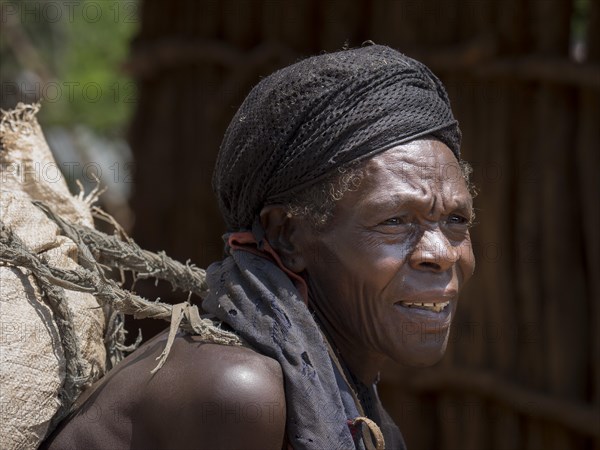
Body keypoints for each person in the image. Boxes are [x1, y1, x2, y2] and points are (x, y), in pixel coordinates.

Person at [42, 43, 475, 450]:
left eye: (456, 220)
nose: (441, 253)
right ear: (286, 236)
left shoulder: (356, 402)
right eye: (395, 221)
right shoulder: (236, 392)